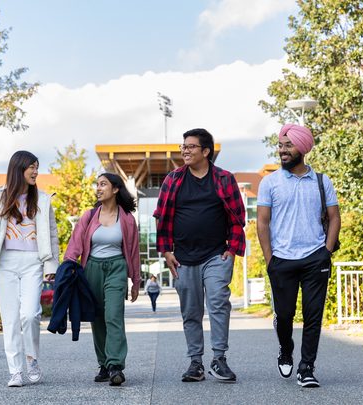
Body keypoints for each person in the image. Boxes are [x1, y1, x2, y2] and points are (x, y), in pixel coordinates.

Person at [153, 128, 245, 383]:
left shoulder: (224, 179)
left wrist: (231, 250)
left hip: (217, 255)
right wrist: (166, 251)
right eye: (184, 146)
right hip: (183, 258)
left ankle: (219, 359)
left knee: (218, 303)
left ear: (206, 151)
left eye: (191, 146)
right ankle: (196, 363)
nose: (185, 150)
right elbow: (161, 218)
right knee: (191, 311)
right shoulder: (173, 180)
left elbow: (237, 218)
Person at [256, 124, 341, 388]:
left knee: (313, 315)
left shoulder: (321, 181)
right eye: (280, 145)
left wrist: (326, 251)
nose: (282, 150)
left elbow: (335, 217)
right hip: (281, 260)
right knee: (284, 315)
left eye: (288, 145)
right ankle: (285, 349)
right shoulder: (270, 182)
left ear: (302, 148)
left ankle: (306, 368)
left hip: (315, 258)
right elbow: (262, 222)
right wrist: (270, 259)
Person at [0, 150, 59, 387]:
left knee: (30, 314)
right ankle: (15, 371)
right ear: (19, 169)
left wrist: (52, 265)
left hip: (33, 262)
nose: (36, 171)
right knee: (10, 319)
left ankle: (31, 360)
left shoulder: (42, 199)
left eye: (37, 167)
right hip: (5, 264)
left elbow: (52, 234)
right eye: (32, 166)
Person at [64, 173, 140, 387]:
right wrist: (67, 266)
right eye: (97, 184)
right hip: (92, 269)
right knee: (97, 318)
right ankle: (104, 365)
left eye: (103, 184)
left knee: (113, 315)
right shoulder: (89, 216)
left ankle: (116, 365)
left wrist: (135, 279)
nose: (98, 188)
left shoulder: (126, 219)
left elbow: (133, 251)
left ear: (115, 189)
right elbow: (75, 245)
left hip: (116, 267)